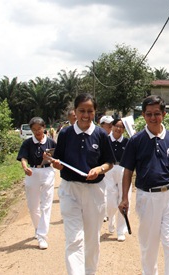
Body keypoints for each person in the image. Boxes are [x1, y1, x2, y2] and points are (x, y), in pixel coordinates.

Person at [119, 95, 169, 275]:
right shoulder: (136, 141)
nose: (153, 118)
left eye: (157, 113)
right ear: (143, 115)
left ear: (164, 114)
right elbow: (127, 171)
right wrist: (125, 198)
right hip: (147, 197)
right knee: (149, 245)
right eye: (149, 114)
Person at [52, 93, 116, 275]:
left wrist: (98, 170)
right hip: (70, 191)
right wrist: (55, 164)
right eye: (82, 111)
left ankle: (90, 271)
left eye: (90, 111)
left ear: (95, 112)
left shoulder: (101, 135)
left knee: (92, 238)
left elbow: (109, 163)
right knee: (73, 238)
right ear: (75, 111)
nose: (86, 115)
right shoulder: (65, 133)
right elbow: (58, 160)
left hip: (94, 192)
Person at [16, 117, 57, 250]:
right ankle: (38, 228)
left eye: (39, 129)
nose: (37, 132)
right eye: (34, 130)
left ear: (44, 127)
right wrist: (25, 167)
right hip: (32, 172)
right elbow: (23, 157)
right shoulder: (28, 143)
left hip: (47, 172)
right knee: (33, 206)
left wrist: (50, 158)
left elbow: (57, 159)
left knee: (46, 205)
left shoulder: (51, 142)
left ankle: (42, 236)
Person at [104, 118, 131, 242]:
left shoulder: (128, 142)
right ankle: (111, 220)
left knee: (123, 199)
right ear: (112, 126)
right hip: (109, 170)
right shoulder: (105, 140)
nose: (118, 129)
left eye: (121, 127)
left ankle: (121, 230)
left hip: (123, 170)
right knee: (110, 200)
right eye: (116, 126)